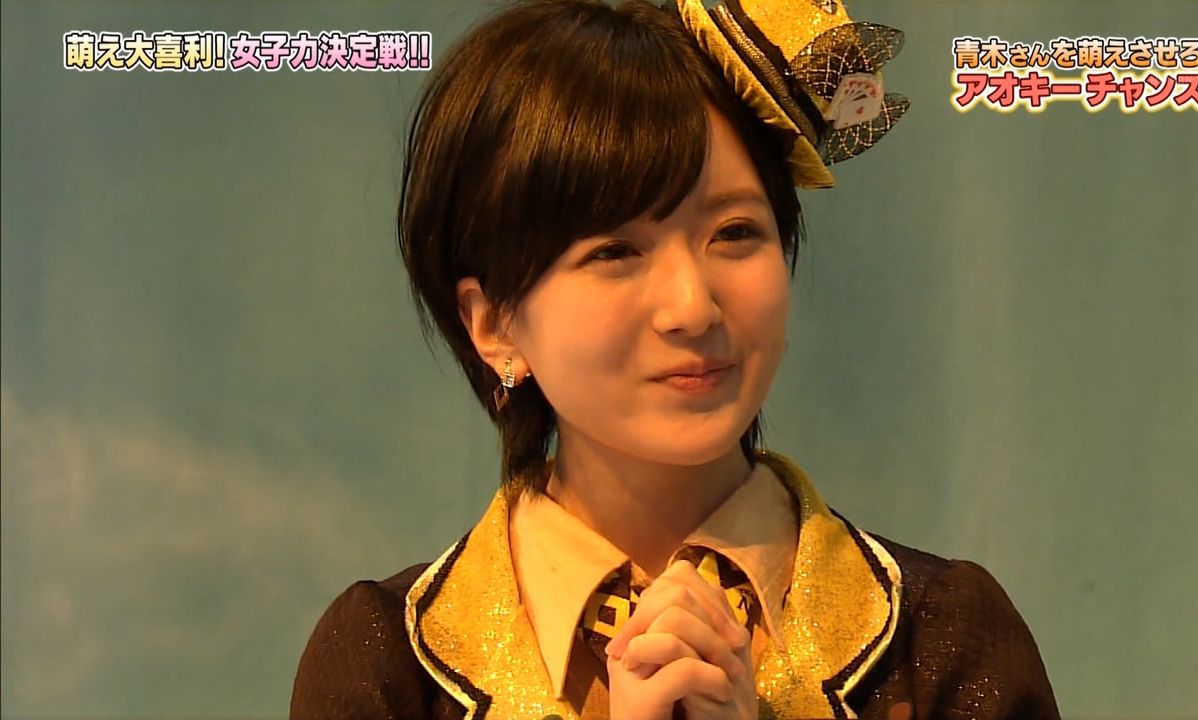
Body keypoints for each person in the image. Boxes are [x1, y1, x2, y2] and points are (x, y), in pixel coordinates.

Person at [290, 0, 1060, 717]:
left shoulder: (937, 638)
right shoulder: (388, 668)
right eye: (615, 251)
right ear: (493, 326)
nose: (693, 306)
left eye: (734, 233)